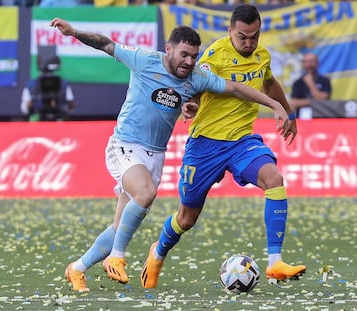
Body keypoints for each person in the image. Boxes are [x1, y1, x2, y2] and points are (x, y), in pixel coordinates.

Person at [50, 17, 290, 292]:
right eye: (184, 54)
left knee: (121, 226)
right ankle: (117, 256)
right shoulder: (143, 60)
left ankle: (77, 268)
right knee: (145, 194)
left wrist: (274, 105)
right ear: (168, 49)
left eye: (193, 56)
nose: (189, 61)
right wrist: (74, 32)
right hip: (125, 145)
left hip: (155, 154)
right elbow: (105, 43)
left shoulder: (196, 77)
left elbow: (234, 88)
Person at [140, 4, 306, 289]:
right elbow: (198, 85)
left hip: (241, 142)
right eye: (242, 37)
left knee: (274, 179)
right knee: (187, 217)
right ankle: (157, 253)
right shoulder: (214, 55)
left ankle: (275, 262)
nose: (249, 43)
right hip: (205, 145)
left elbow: (269, 84)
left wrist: (289, 112)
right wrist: (191, 104)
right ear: (230, 31)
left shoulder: (261, 56)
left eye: (254, 36)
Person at [20, 57, 75, 122]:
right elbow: (24, 109)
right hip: (37, 120)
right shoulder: (31, 85)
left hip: (59, 119)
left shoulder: (63, 84)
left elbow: (70, 106)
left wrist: (69, 105)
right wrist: (29, 106)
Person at [291, 52, 332, 119]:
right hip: (302, 118)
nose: (309, 64)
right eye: (306, 62)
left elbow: (323, 99)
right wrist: (313, 101)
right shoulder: (298, 83)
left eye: (311, 61)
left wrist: (310, 83)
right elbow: (294, 103)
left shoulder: (325, 81)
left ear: (317, 63)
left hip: (321, 116)